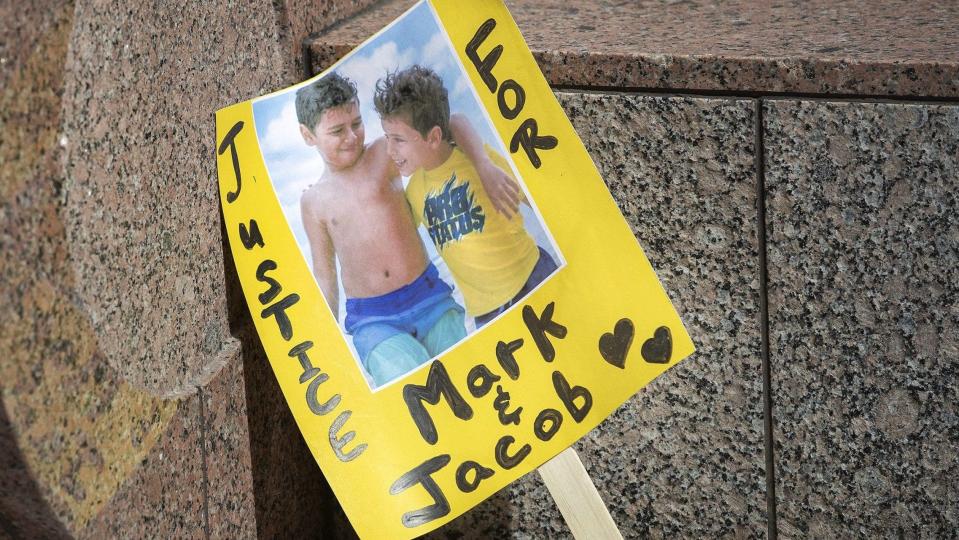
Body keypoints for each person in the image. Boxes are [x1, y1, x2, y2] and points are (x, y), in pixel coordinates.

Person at [296, 72, 505, 386]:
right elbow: (324, 274)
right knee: (412, 388)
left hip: (430, 298)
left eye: (356, 123)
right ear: (308, 135)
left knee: (468, 378)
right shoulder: (313, 201)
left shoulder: (384, 153)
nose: (352, 137)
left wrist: (484, 165)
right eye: (337, 131)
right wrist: (324, 341)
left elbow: (452, 126)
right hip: (373, 321)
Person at [373, 65, 558, 328]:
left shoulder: (475, 159)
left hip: (533, 274)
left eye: (398, 139)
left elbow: (540, 203)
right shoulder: (414, 191)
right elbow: (394, 238)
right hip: (487, 314)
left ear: (434, 137)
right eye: (386, 138)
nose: (389, 149)